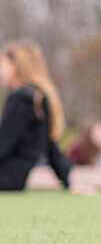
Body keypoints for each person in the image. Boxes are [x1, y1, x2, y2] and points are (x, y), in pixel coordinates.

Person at [0, 39, 71, 190]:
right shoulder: (36, 98)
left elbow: (3, 145)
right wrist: (67, 180)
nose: (1, 70)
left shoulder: (22, 99)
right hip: (15, 178)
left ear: (16, 65)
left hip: (6, 175)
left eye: (3, 63)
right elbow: (49, 143)